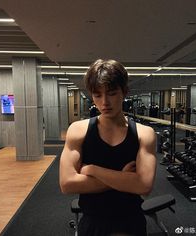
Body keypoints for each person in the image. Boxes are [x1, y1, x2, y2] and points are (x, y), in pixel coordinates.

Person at [59, 59, 157, 236]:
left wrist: (93, 169)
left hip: (130, 221)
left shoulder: (144, 134)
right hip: (92, 223)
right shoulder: (78, 130)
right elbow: (67, 184)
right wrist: (125, 179)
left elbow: (143, 186)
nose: (104, 102)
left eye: (111, 93)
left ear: (124, 92)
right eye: (97, 95)